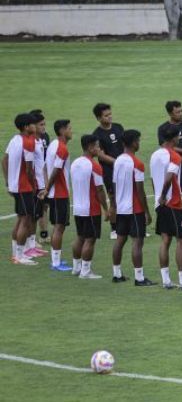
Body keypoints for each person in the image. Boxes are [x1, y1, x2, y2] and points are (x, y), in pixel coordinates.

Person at [150, 125, 182, 291]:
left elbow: (154, 179)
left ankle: (166, 280)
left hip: (160, 204)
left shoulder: (154, 155)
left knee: (165, 240)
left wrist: (157, 198)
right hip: (172, 203)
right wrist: (163, 195)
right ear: (174, 138)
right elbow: (169, 178)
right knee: (181, 241)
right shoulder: (174, 156)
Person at [111, 129, 155, 286]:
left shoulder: (118, 161)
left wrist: (115, 206)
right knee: (137, 242)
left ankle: (116, 274)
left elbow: (114, 185)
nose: (139, 143)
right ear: (134, 142)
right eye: (138, 140)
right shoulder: (137, 164)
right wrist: (147, 212)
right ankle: (139, 278)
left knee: (120, 240)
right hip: (135, 209)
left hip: (122, 208)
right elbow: (140, 190)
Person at [70, 134, 113, 280]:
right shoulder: (95, 166)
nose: (99, 149)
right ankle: (86, 271)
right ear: (89, 147)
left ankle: (76, 268)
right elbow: (100, 189)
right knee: (90, 239)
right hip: (91, 208)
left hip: (77, 207)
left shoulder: (75, 163)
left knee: (80, 237)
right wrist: (106, 210)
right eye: (97, 146)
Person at [3, 113, 40, 265]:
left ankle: (16, 253)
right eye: (33, 124)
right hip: (24, 186)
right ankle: (19, 255)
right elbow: (30, 170)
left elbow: (4, 160)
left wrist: (8, 182)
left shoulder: (14, 139)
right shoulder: (28, 143)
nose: (35, 127)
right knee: (25, 220)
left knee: (20, 219)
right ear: (26, 127)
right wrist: (34, 186)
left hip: (15, 185)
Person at [92, 103, 125, 239]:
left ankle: (127, 226)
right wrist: (118, 162)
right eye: (106, 115)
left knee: (127, 196)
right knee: (113, 198)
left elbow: (125, 145)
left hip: (123, 167)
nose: (109, 117)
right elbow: (100, 155)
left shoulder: (118, 127)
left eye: (110, 114)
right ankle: (113, 229)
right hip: (109, 170)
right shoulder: (97, 134)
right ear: (99, 118)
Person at [45, 119, 73, 271]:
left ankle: (56, 261)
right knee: (59, 227)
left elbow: (45, 168)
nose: (71, 131)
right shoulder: (62, 148)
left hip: (54, 192)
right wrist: (47, 188)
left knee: (57, 226)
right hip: (59, 193)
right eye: (69, 128)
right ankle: (55, 263)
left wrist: (46, 188)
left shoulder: (52, 145)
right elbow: (56, 171)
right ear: (62, 131)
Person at [157, 100, 182, 190]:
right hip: (170, 165)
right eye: (178, 112)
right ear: (170, 114)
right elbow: (164, 146)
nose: (181, 114)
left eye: (181, 111)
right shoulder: (163, 128)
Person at [29, 110, 49, 250]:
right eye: (41, 124)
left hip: (43, 181)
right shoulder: (30, 141)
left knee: (42, 209)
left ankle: (40, 236)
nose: (44, 127)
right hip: (35, 182)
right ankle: (30, 241)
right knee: (32, 213)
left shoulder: (44, 137)